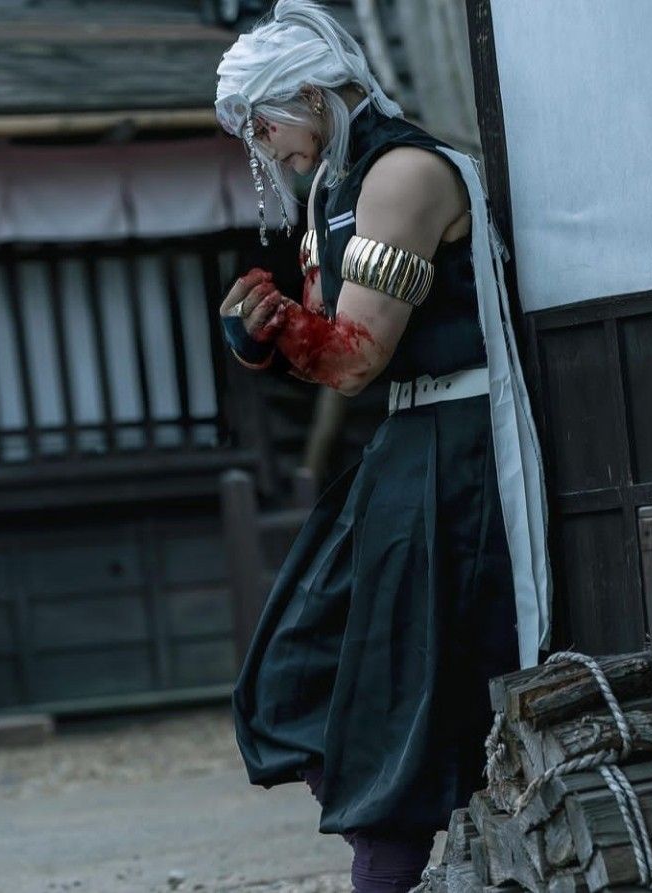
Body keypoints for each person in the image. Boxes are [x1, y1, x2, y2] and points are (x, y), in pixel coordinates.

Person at [215, 3, 552, 890]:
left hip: (462, 446)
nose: (263, 147)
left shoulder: (402, 175)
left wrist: (280, 321)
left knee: (406, 690)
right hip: (406, 442)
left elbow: (354, 359)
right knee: (291, 670)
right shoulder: (339, 185)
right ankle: (443, 829)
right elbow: (340, 348)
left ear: (313, 97)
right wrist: (267, 332)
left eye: (265, 123)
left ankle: (413, 849)